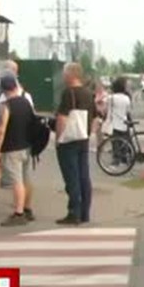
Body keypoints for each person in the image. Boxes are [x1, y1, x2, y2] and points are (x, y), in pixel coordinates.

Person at [0, 60, 33, 205]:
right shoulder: (18, 97)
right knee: (18, 175)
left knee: (17, 178)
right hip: (23, 141)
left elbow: (1, 128)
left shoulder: (18, 98)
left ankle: (21, 208)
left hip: (13, 141)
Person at [54, 62, 96, 225]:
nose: (63, 76)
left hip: (69, 140)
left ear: (71, 75)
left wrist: (58, 139)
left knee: (72, 177)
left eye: (65, 73)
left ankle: (74, 212)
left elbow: (62, 118)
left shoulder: (68, 93)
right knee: (84, 175)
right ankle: (85, 212)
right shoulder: (88, 93)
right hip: (83, 138)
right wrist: (88, 133)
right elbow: (95, 117)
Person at [0, 75, 36, 226]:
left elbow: (1, 130)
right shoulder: (26, 102)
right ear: (15, 86)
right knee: (26, 179)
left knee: (16, 181)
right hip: (26, 146)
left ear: (2, 89)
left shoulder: (5, 106)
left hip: (11, 147)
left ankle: (19, 213)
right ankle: (27, 208)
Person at [102, 77, 132, 166]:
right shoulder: (126, 98)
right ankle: (124, 158)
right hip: (124, 123)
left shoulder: (111, 98)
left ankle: (116, 159)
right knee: (124, 141)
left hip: (113, 123)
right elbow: (128, 111)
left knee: (115, 143)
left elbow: (104, 108)